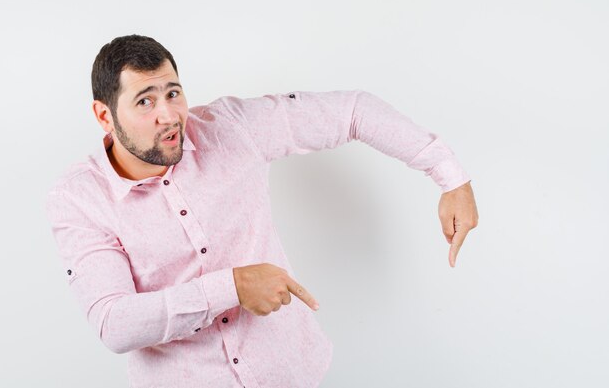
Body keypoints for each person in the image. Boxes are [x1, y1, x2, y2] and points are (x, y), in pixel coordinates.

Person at [46, 34, 478, 388]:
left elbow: (352, 111)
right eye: (145, 101)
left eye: (172, 93)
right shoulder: (79, 199)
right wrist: (232, 286)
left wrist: (450, 177)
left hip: (289, 373)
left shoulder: (233, 127)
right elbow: (114, 323)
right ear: (104, 116)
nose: (168, 115)